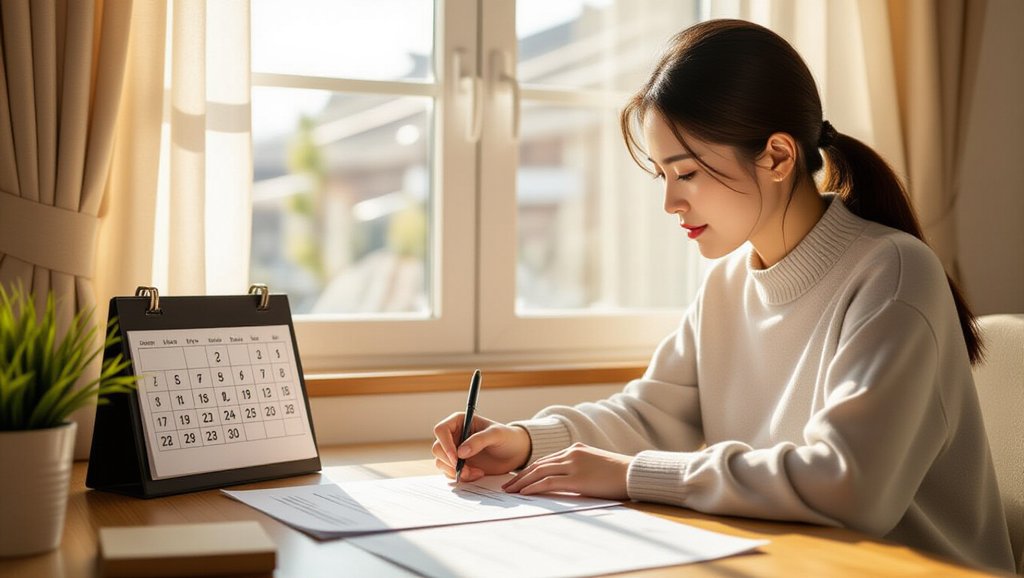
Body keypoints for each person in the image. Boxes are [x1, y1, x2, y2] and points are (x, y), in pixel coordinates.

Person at [431, 19, 1014, 572]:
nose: (671, 204)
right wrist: (528, 440)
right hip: (795, 564)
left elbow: (849, 484)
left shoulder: (892, 272)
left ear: (778, 156)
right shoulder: (727, 283)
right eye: (663, 175)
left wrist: (633, 475)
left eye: (686, 173)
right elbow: (653, 414)